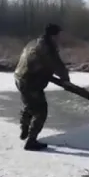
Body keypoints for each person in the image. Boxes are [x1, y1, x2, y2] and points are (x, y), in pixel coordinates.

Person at [14, 23, 70, 151]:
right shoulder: (47, 47)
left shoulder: (35, 42)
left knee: (30, 105)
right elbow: (57, 65)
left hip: (19, 78)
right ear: (53, 35)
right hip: (30, 81)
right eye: (59, 35)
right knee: (41, 111)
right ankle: (31, 141)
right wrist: (66, 80)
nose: (60, 38)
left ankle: (24, 128)